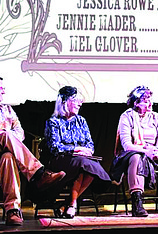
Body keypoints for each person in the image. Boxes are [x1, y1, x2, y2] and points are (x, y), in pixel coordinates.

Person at [0, 74, 65, 226]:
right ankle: (39, 174)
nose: (3, 92)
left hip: (2, 159)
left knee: (7, 156)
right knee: (6, 135)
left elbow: (20, 134)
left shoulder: (7, 110)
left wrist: (2, 136)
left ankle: (12, 211)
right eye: (0, 88)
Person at [110, 86, 158, 216]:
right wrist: (146, 151)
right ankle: (137, 202)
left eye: (150, 99)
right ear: (136, 103)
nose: (149, 103)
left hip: (154, 152)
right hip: (134, 153)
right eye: (145, 100)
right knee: (137, 157)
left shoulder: (157, 117)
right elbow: (127, 145)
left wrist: (156, 149)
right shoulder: (126, 117)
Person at [43, 86, 111, 218]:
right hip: (60, 159)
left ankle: (69, 204)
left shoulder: (81, 121)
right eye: (76, 100)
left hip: (80, 160)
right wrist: (76, 149)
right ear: (64, 101)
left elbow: (89, 143)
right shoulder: (53, 122)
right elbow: (54, 147)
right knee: (83, 165)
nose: (80, 103)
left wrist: (88, 151)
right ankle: (71, 204)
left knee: (88, 166)